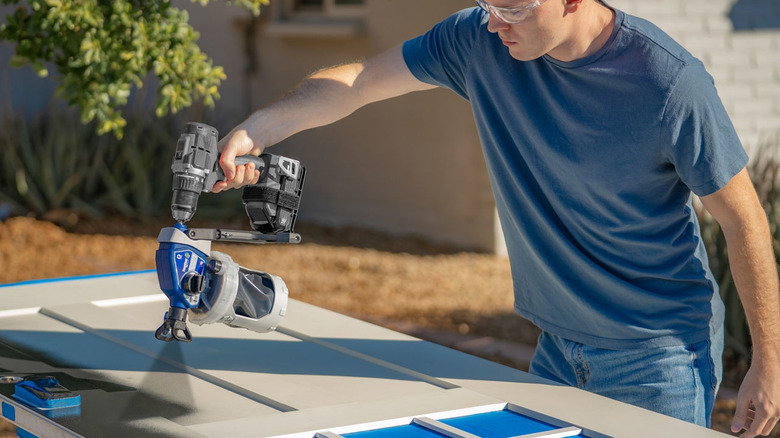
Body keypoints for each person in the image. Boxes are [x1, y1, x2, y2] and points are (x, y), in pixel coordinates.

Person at [214, 0, 780, 435]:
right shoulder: (479, 41)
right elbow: (359, 81)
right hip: (558, 345)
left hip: (658, 359)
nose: (495, 23)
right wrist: (258, 130)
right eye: (487, 4)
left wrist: (769, 363)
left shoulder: (669, 84)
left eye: (512, 8)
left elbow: (744, 222)